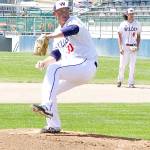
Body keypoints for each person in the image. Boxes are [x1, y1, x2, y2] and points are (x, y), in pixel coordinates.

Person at [32, 0, 98, 133]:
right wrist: (44, 62)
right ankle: (53, 125)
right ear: (54, 14)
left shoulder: (74, 21)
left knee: (54, 68)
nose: (64, 13)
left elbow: (71, 30)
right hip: (74, 68)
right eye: (60, 11)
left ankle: (47, 106)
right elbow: (56, 54)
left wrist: (49, 36)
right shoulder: (57, 33)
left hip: (85, 64)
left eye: (66, 10)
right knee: (49, 89)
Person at [117, 8, 141, 88]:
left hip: (133, 47)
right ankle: (120, 80)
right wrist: (120, 47)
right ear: (127, 14)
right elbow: (119, 36)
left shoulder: (137, 24)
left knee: (132, 66)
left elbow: (138, 36)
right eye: (130, 14)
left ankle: (131, 83)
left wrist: (137, 46)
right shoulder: (123, 24)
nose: (131, 15)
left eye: (133, 14)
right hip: (125, 47)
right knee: (122, 65)